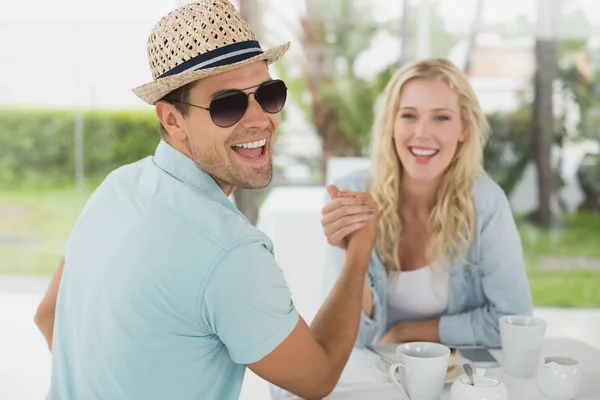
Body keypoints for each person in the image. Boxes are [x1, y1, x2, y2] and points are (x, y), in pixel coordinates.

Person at [34, 1, 380, 399]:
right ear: (172, 120)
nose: (258, 119)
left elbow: (48, 317)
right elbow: (316, 379)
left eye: (268, 93)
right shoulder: (230, 252)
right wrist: (358, 255)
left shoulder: (117, 187)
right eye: (227, 104)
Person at [320, 58, 533, 349]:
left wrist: (409, 332)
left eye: (441, 117)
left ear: (464, 129)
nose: (422, 133)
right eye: (409, 115)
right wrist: (352, 255)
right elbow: (354, 338)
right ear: (391, 126)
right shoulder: (352, 194)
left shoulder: (485, 204)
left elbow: (512, 321)